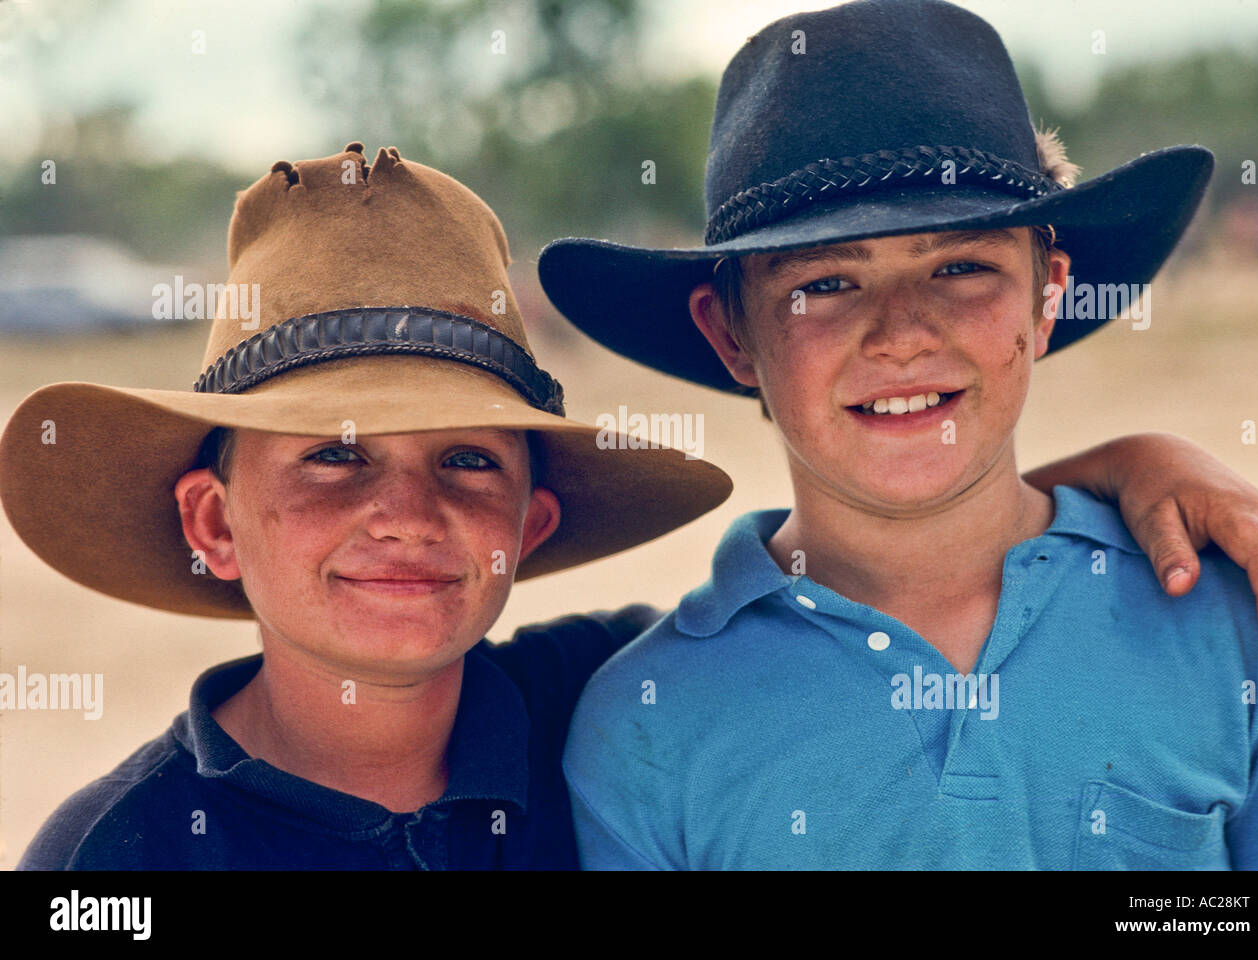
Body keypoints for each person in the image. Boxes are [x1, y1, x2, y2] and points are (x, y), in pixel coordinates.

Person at [542, 0, 1258, 868]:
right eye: (825, 284)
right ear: (730, 334)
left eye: (961, 267)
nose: (901, 334)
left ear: (1047, 295)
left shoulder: (1240, 621)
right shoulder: (644, 723)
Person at [1, 142, 732, 869]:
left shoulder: (618, 700)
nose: (409, 516)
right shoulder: (116, 856)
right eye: (334, 456)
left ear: (529, 526)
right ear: (216, 525)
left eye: (469, 461)